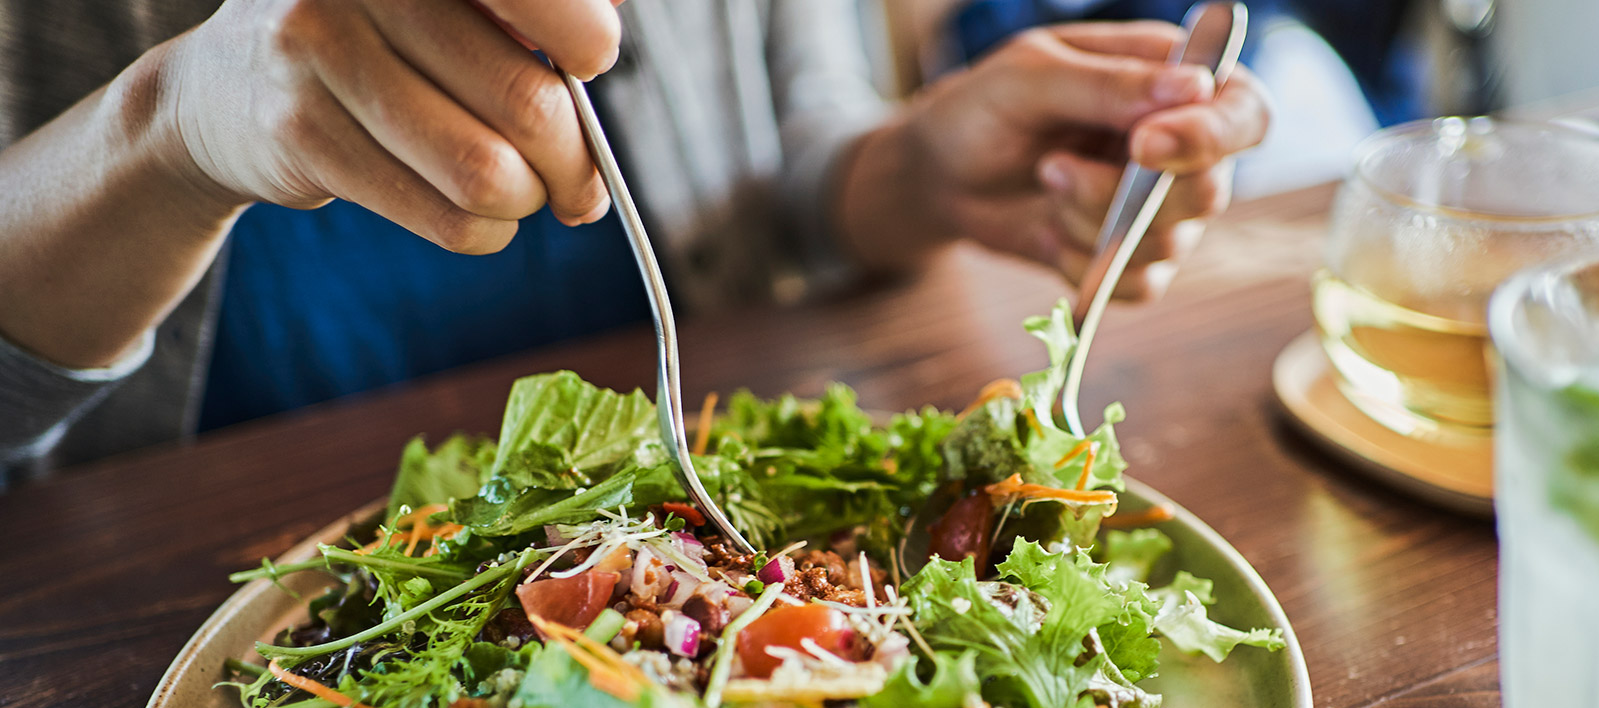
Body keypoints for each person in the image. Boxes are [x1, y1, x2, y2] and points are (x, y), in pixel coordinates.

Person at [0, 0, 1270, 487]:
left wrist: (912, 169)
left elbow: (793, 152)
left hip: (709, 471)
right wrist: (161, 132)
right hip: (163, 628)